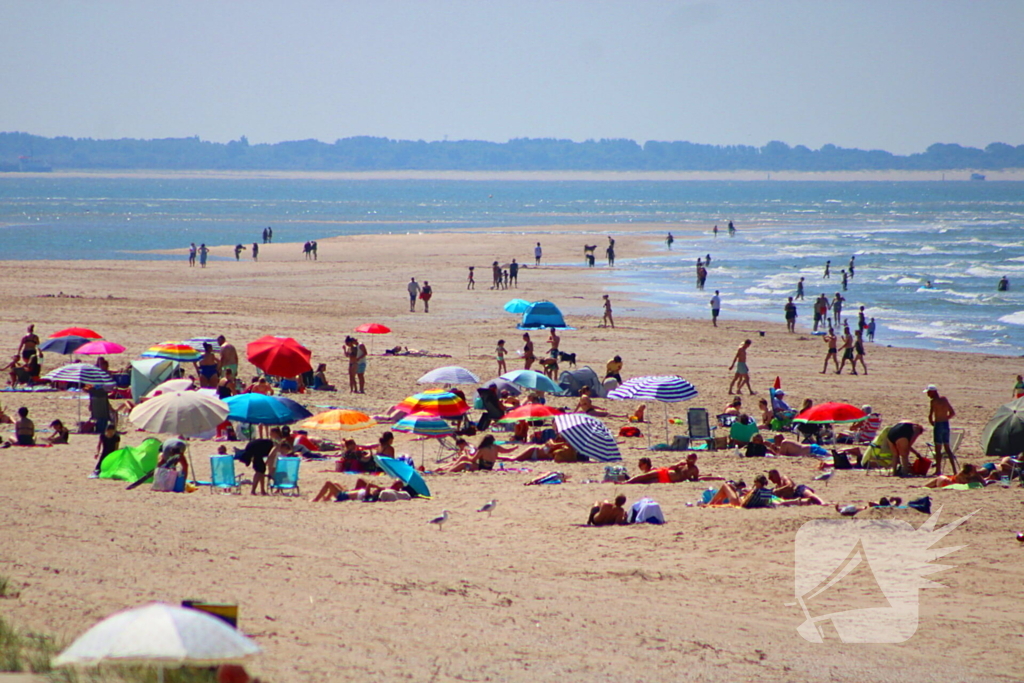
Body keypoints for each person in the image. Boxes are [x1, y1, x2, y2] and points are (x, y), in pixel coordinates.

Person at [926, 385, 957, 475]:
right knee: (947, 449)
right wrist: (945, 418)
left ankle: (938, 470)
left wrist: (933, 422)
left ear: (933, 392)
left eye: (928, 392)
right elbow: (952, 413)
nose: (928, 394)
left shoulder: (933, 401)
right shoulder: (944, 400)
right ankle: (954, 470)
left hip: (938, 424)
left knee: (938, 449)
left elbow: (930, 415)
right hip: (945, 424)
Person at [923, 463, 987, 489]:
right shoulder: (963, 476)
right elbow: (983, 482)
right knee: (929, 485)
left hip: (944, 479)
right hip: (945, 481)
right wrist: (976, 474)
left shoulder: (964, 474)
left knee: (927, 486)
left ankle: (923, 487)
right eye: (974, 470)